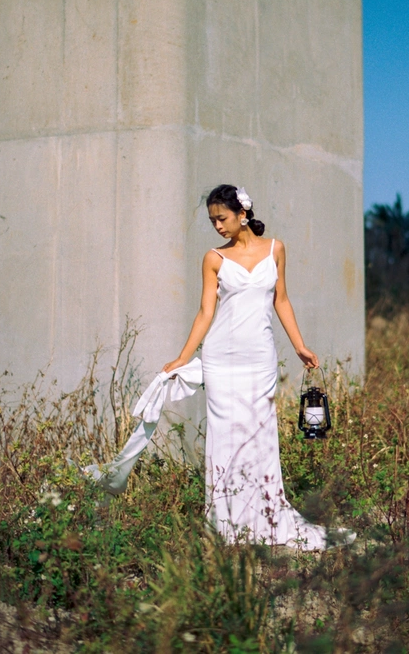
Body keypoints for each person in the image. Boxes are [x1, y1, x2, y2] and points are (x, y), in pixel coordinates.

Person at [163, 184, 354, 549]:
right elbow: (205, 312)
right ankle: (226, 524)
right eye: (212, 221)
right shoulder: (213, 259)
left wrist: (299, 345)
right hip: (221, 359)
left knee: (261, 437)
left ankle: (265, 518)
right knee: (225, 438)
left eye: (222, 218)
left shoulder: (276, 249)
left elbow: (281, 300)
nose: (217, 226)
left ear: (242, 214)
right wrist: (184, 357)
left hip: (259, 359)